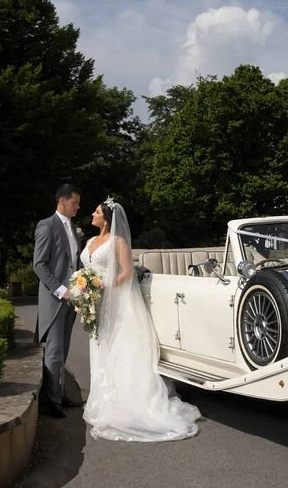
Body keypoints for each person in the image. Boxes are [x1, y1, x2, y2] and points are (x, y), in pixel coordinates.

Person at [81, 198, 200, 441]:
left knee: (118, 348)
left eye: (96, 211)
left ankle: (125, 401)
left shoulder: (119, 241)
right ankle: (102, 397)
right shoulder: (90, 241)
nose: (92, 214)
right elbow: (85, 271)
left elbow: (126, 272)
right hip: (94, 304)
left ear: (106, 217)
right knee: (99, 345)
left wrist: (104, 287)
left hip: (113, 303)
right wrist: (83, 292)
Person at [33, 183, 85, 418]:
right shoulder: (47, 226)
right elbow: (39, 265)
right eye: (75, 203)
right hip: (56, 300)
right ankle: (51, 403)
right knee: (53, 352)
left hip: (71, 300)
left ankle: (59, 393)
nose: (78, 207)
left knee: (62, 351)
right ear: (62, 201)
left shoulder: (73, 229)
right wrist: (61, 290)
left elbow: (74, 263)